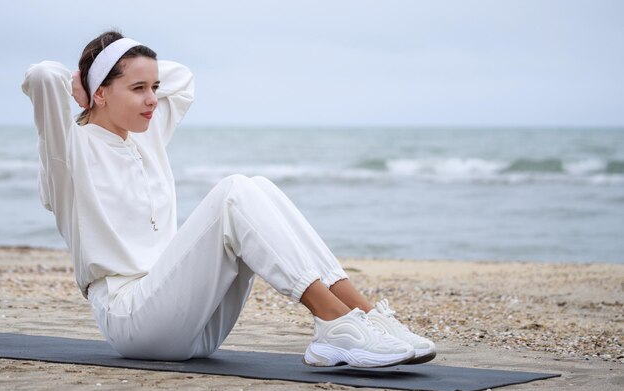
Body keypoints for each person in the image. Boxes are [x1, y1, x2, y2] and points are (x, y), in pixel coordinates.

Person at [22, 30, 436, 368]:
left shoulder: (145, 136)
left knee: (258, 187)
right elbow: (42, 76)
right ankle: (335, 323)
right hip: (133, 318)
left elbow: (183, 78)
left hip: (190, 318)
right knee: (234, 191)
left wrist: (126, 70)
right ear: (99, 93)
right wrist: (87, 78)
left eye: (154, 87)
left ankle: (366, 318)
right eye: (138, 88)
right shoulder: (68, 152)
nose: (153, 99)